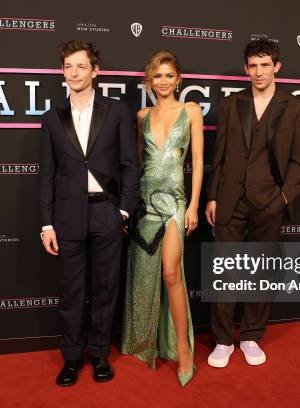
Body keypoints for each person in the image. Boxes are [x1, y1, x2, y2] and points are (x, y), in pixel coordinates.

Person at [39, 40, 139, 387]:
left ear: (95, 71)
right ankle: (71, 357)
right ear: (62, 72)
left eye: (81, 66)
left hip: (106, 215)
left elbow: (130, 166)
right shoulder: (52, 118)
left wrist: (124, 212)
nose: (74, 73)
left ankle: (98, 354)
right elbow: (47, 174)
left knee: (106, 288)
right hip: (66, 219)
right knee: (70, 291)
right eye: (68, 67)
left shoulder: (116, 112)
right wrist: (46, 223)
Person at [205, 38, 300, 368]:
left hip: (269, 203)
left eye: (265, 65)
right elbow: (217, 156)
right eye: (253, 65)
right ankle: (222, 340)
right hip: (230, 201)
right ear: (245, 68)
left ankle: (250, 336)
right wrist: (212, 196)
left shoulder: (292, 107)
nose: (259, 71)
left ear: (277, 67)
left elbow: (298, 162)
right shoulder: (232, 104)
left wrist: (282, 199)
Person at [121, 50, 204, 387]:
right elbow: (139, 164)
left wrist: (194, 204)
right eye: (158, 76)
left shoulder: (191, 110)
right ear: (149, 81)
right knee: (142, 277)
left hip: (174, 203)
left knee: (171, 272)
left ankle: (183, 350)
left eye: (170, 75)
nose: (164, 81)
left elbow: (198, 162)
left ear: (179, 79)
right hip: (145, 204)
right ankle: (144, 343)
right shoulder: (141, 116)